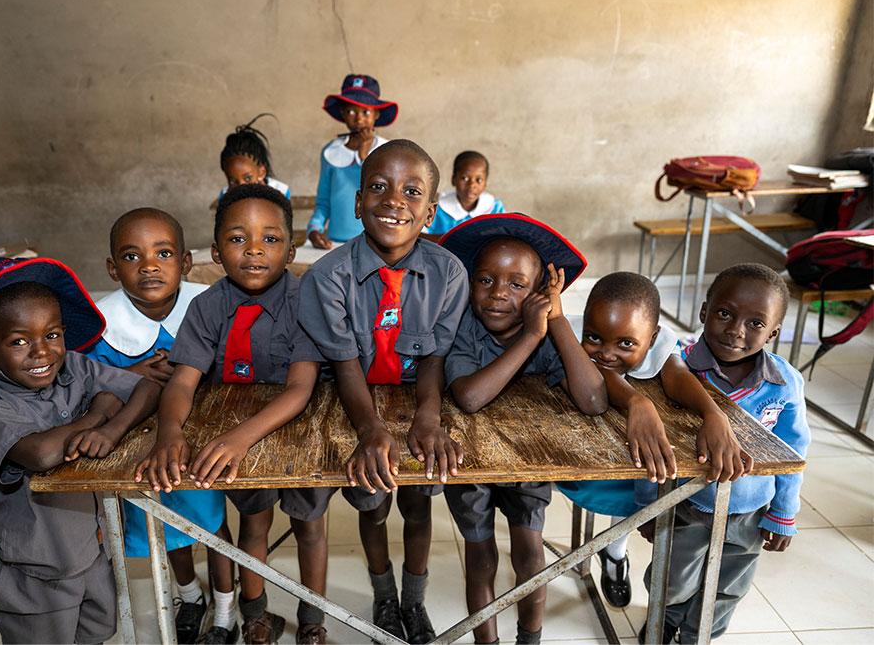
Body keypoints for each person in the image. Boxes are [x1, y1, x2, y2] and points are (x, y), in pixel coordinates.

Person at [0, 256, 160, 644]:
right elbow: (41, 455)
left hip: (93, 554)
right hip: (34, 571)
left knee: (95, 636)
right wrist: (96, 412)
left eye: (52, 334)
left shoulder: (74, 367)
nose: (41, 353)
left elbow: (148, 388)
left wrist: (113, 429)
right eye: (18, 341)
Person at [135, 183, 333, 645]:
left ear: (289, 247)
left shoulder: (307, 302)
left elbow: (301, 389)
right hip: (237, 429)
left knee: (309, 527)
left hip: (302, 434)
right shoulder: (207, 307)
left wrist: (240, 438)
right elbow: (183, 380)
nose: (254, 251)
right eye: (238, 238)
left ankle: (313, 620)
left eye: (270, 238)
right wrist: (168, 431)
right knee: (254, 524)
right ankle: (257, 615)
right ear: (217, 250)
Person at [298, 139, 467, 643]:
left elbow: (435, 356)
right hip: (354, 399)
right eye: (378, 187)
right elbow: (346, 365)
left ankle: (413, 602)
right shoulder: (329, 276)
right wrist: (370, 428)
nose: (394, 201)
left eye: (411, 191)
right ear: (357, 202)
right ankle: (384, 594)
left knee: (418, 504)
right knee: (371, 502)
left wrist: (429, 417)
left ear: (431, 212)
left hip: (418, 393)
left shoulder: (448, 273)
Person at [437, 214, 607, 645]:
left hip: (528, 461)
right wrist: (530, 337)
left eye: (517, 285)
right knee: (480, 556)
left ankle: (529, 639)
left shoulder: (549, 334)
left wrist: (557, 321)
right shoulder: (463, 327)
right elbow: (470, 398)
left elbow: (593, 401)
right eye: (486, 280)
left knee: (530, 555)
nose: (497, 295)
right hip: (470, 464)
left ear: (537, 295)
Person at [635, 263, 810, 643]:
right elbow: (649, 448)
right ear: (704, 312)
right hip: (686, 505)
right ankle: (662, 623)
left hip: (750, 511)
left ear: (774, 333)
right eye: (725, 314)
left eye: (755, 324)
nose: (735, 330)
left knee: (730, 585)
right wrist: (647, 506)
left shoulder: (785, 384)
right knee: (672, 579)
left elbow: (793, 452)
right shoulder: (674, 369)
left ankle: (698, 636)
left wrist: (784, 513)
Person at [558, 271, 750, 610]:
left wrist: (713, 414)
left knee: (650, 470)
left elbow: (677, 375)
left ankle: (614, 552)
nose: (607, 352)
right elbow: (596, 374)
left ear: (653, 337)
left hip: (628, 462)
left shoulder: (662, 344)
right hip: (574, 453)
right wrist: (638, 401)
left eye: (627, 344)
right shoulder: (567, 334)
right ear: (585, 323)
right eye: (595, 337)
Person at [85, 207, 228, 644]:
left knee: (212, 522)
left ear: (184, 262)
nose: (148, 265)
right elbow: (87, 385)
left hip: (202, 439)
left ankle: (225, 611)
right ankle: (190, 595)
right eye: (131, 256)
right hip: (137, 451)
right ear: (113, 268)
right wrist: (130, 377)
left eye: (163, 253)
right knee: (163, 525)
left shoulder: (212, 303)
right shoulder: (100, 324)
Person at [305, 74, 397, 249]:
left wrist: (364, 156)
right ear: (342, 113)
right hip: (336, 242)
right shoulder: (331, 152)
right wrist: (314, 230)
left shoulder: (387, 151)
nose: (359, 118)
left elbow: (389, 195)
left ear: (376, 114)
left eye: (366, 112)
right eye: (351, 111)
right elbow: (323, 202)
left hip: (376, 243)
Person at [423, 151, 505, 237]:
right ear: (454, 179)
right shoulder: (437, 209)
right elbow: (419, 236)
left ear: (485, 184)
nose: (471, 185)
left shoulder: (495, 208)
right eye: (464, 178)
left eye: (478, 180)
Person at [218, 113, 291, 200]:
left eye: (248, 178)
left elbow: (282, 213)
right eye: (232, 181)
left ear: (262, 172)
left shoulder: (280, 191)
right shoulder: (225, 196)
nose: (241, 188)